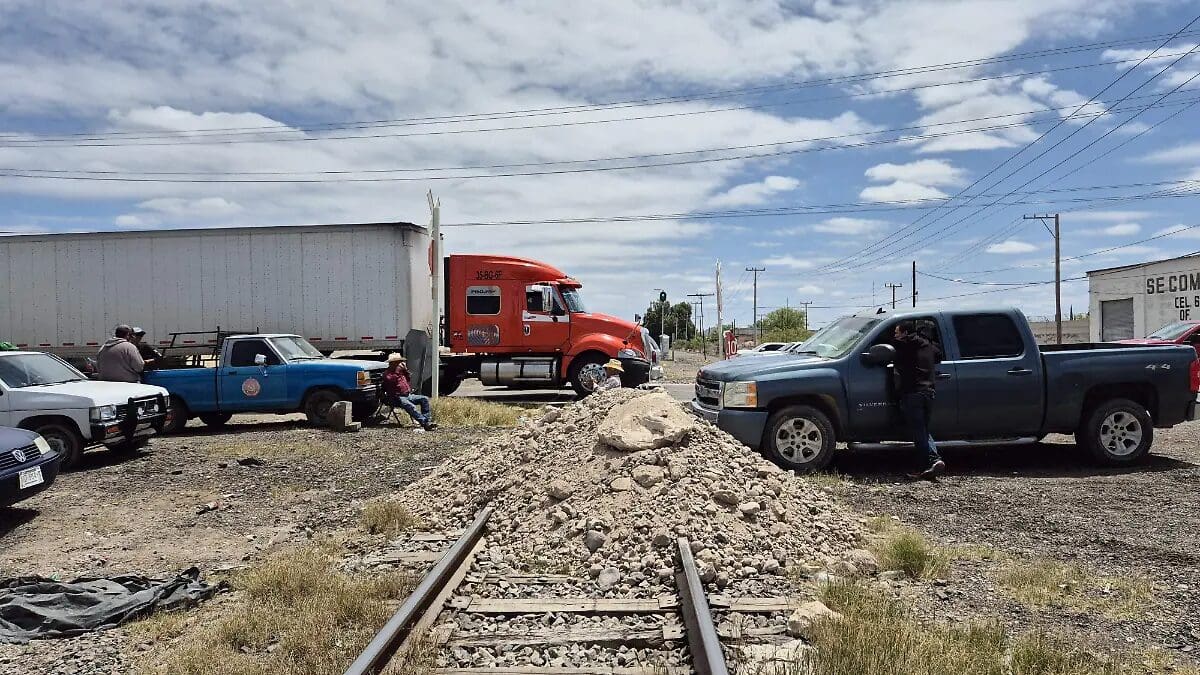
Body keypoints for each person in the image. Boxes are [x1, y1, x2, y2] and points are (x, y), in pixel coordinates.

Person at [891, 321, 946, 480]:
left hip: (913, 394)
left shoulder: (904, 346)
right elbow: (938, 354)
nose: (895, 336)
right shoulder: (927, 345)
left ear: (905, 333)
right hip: (929, 392)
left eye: (897, 332)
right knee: (923, 430)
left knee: (919, 432)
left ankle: (924, 466)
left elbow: (892, 348)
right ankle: (935, 461)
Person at [381, 355, 436, 430]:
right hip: (396, 397)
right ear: (392, 363)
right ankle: (425, 423)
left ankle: (427, 421)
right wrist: (398, 371)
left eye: (400, 362)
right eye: (397, 362)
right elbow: (392, 381)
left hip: (407, 395)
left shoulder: (401, 372)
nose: (399, 363)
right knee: (410, 406)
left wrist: (405, 371)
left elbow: (408, 379)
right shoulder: (387, 374)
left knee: (424, 399)